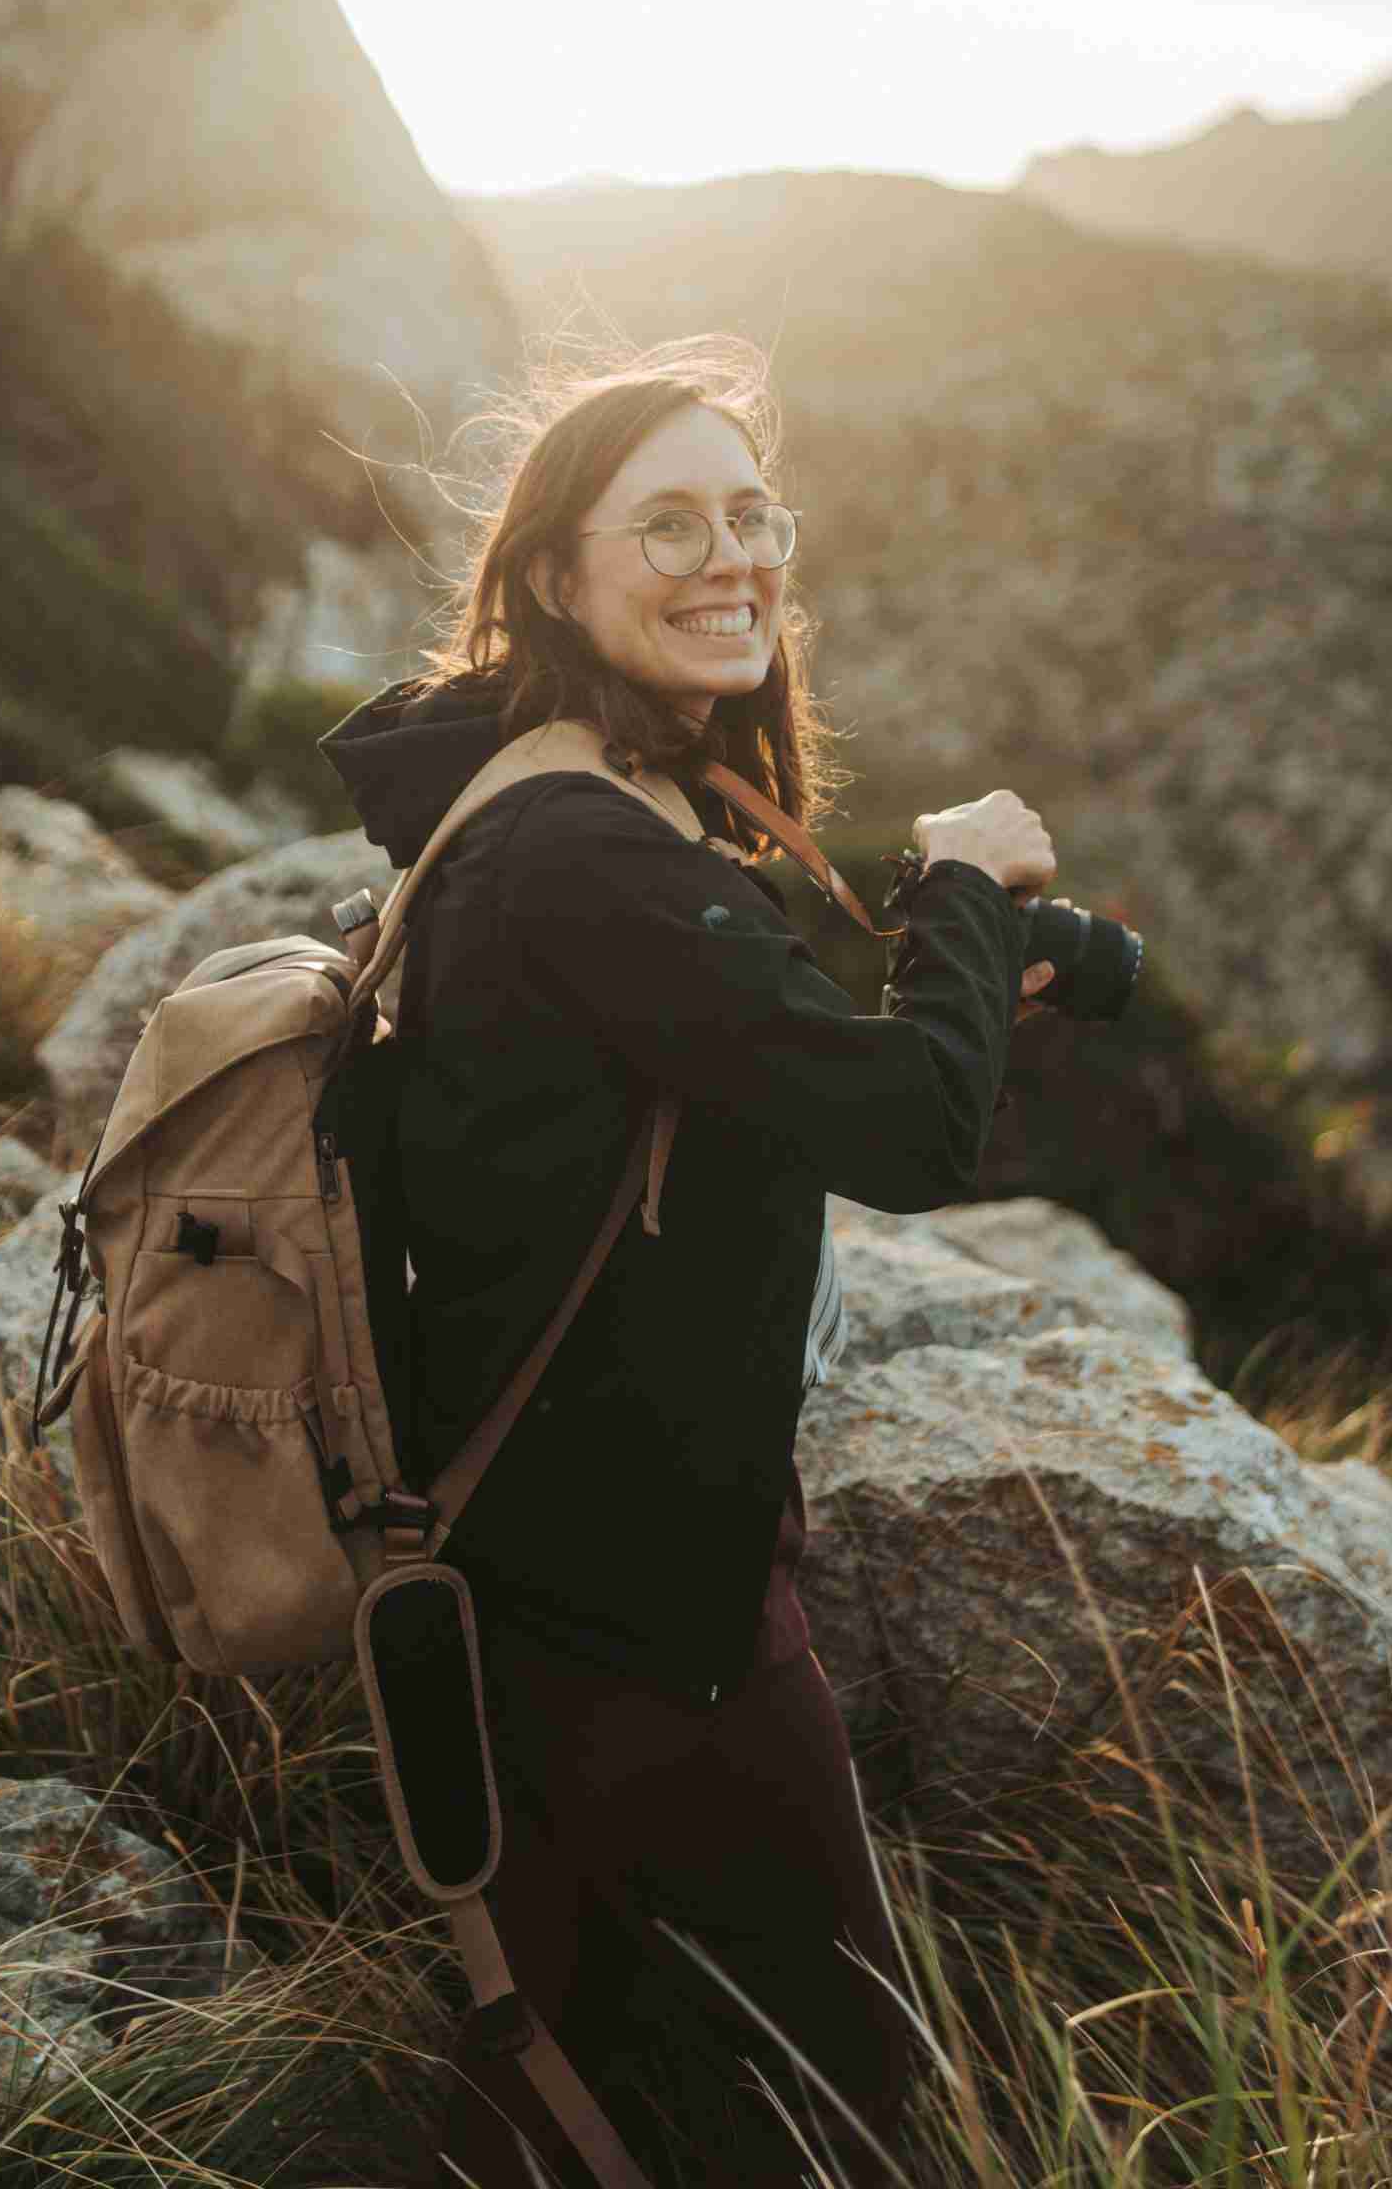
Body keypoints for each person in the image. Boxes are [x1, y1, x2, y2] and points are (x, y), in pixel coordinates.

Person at [319, 338, 1058, 2187]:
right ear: (553, 574)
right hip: (652, 1637)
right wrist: (961, 886)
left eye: (751, 515)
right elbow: (903, 1128)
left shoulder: (579, 802)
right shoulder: (581, 854)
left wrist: (970, 959)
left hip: (539, 1593)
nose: (731, 557)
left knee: (577, 2115)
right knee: (847, 2123)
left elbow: (737, 1051)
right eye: (667, 524)